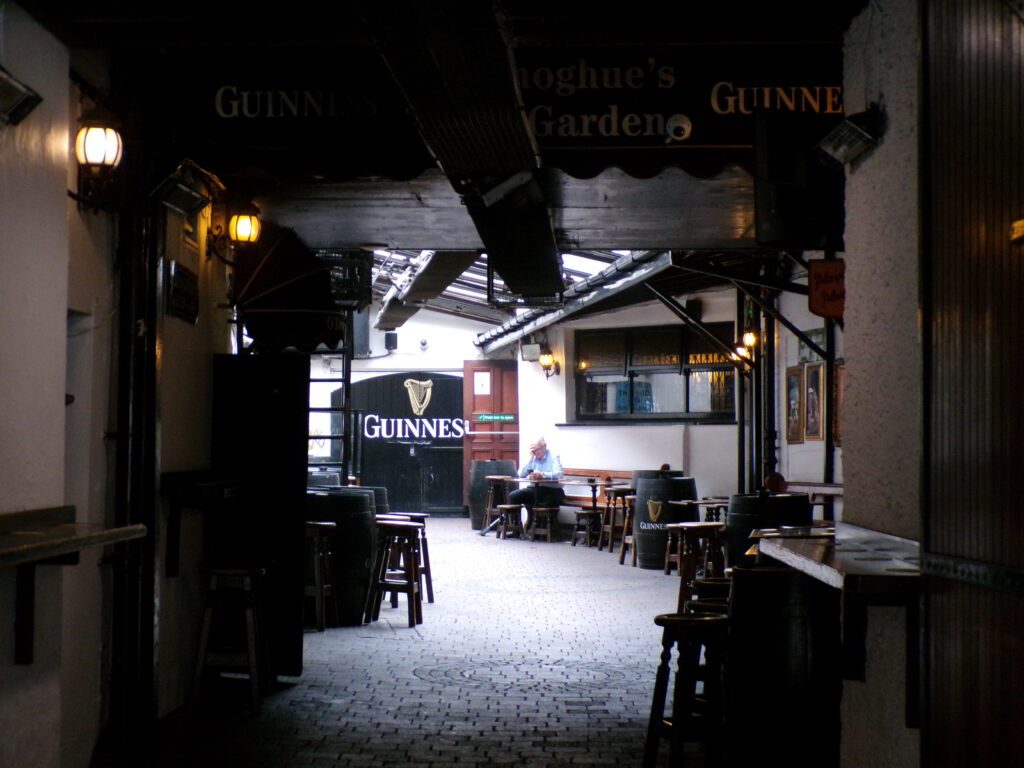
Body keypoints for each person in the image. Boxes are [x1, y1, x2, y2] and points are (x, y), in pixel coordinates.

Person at [507, 437, 566, 534]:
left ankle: (541, 531)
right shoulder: (533, 458)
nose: (535, 453)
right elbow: (521, 474)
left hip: (551, 489)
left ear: (544, 447)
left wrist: (543, 475)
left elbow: (558, 474)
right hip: (534, 489)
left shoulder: (553, 456)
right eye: (533, 450)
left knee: (546, 501)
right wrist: (530, 459)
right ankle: (517, 530)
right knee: (513, 496)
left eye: (537, 450)